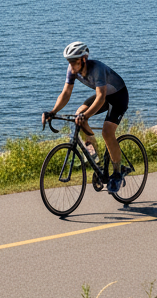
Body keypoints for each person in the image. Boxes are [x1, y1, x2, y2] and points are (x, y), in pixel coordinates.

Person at [43, 42, 129, 193]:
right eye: (69, 62)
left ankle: (117, 173)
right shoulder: (72, 70)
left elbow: (101, 98)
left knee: (107, 132)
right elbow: (66, 94)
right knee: (79, 117)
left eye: (74, 62)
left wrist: (86, 115)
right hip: (103, 96)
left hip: (118, 97)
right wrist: (52, 112)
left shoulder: (97, 69)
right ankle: (98, 163)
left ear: (83, 59)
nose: (72, 66)